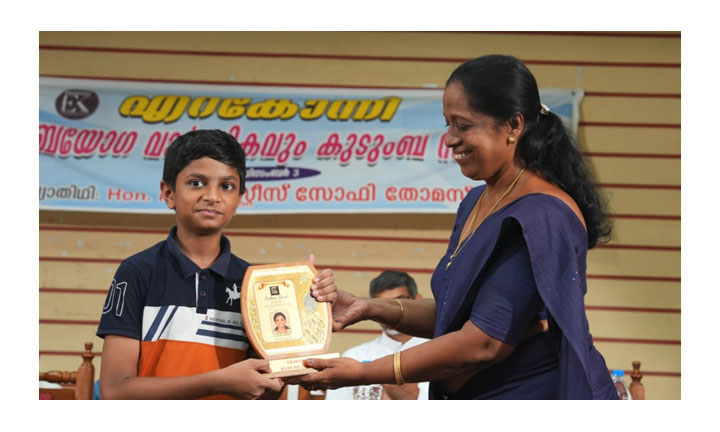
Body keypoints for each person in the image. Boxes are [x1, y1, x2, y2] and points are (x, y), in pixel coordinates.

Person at [291, 55, 618, 399]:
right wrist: (368, 308)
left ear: (513, 125)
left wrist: (366, 371)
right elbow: (455, 314)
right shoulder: (476, 201)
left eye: (463, 126)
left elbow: (484, 342)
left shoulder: (540, 215)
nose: (449, 139)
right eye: (447, 124)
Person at [95, 129, 338, 400]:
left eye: (226, 186)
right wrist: (217, 382)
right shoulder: (137, 272)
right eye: (197, 183)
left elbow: (265, 389)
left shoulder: (253, 284)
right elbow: (115, 392)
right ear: (168, 193)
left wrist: (306, 306)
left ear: (239, 200)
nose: (212, 196)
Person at [324, 271, 429, 400]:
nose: (391, 312)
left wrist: (415, 397)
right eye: (384, 305)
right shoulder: (354, 358)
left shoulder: (441, 353)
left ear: (417, 300)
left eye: (399, 303)